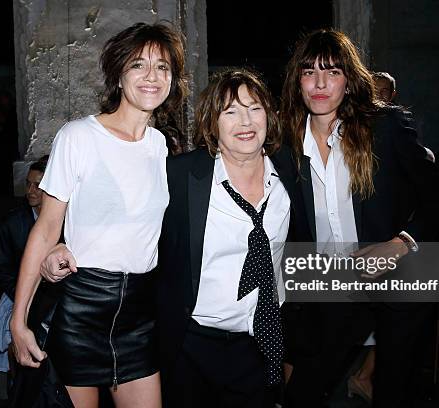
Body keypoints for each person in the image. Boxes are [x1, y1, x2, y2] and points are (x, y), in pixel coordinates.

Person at [40, 68, 311, 408]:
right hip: (189, 345)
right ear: (212, 123)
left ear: (269, 118)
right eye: (230, 111)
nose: (245, 121)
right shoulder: (182, 176)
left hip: (259, 344)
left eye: (254, 108)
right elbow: (130, 216)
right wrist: (65, 243)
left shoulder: (293, 174)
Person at [10, 22, 188, 408]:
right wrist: (18, 320)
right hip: (82, 308)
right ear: (119, 75)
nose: (152, 77)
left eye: (163, 67)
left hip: (139, 314)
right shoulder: (79, 137)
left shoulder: (160, 146)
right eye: (139, 65)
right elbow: (46, 228)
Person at [279, 29, 439, 408]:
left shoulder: (385, 127)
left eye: (333, 71)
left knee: (394, 390)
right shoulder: (284, 144)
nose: (320, 83)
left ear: (349, 80)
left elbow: (438, 197)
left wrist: (399, 243)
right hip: (335, 282)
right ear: (298, 81)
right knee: (306, 390)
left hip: (402, 278)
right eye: (309, 72)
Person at [0, 159, 49, 374]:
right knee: (11, 338)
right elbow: (1, 268)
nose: (31, 191)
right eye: (28, 184)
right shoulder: (13, 223)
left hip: (57, 298)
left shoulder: (68, 221)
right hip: (20, 293)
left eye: (38, 185)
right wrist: (21, 294)